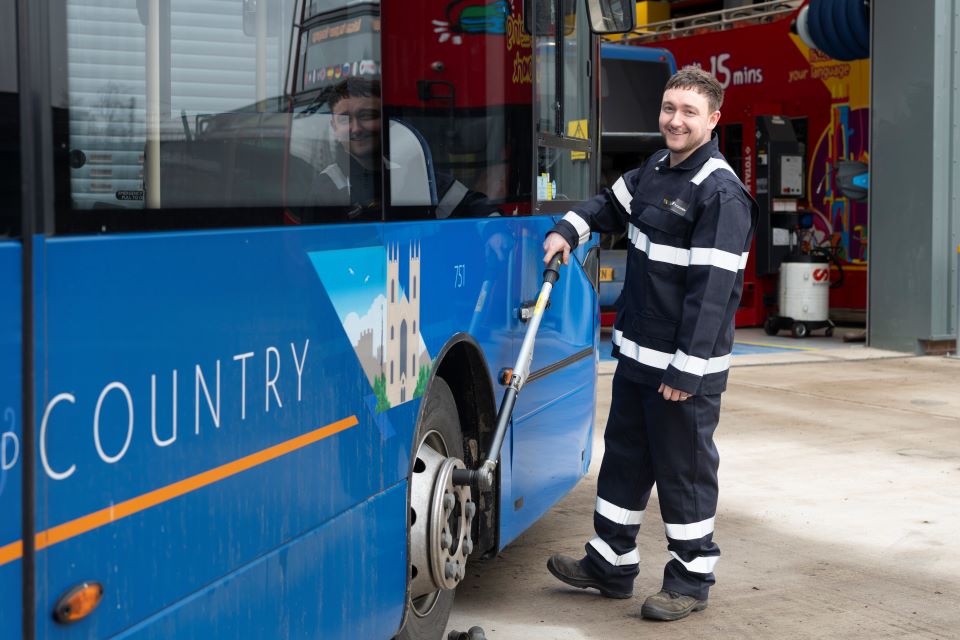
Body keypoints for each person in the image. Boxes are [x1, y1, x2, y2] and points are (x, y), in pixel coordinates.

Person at [543, 66, 758, 622]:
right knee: (625, 462)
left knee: (682, 476)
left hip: (682, 374)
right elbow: (605, 209)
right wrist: (568, 229)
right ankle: (610, 564)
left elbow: (712, 297)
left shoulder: (721, 194)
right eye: (669, 108)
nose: (675, 120)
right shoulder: (654, 169)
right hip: (637, 358)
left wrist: (686, 374)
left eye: (689, 111)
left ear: (713, 119)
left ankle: (691, 580)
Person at [306, 77, 499, 221]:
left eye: (367, 115)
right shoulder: (326, 187)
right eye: (344, 119)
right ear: (333, 127)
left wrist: (493, 230)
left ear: (384, 121)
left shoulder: (411, 171)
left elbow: (471, 205)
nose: (356, 128)